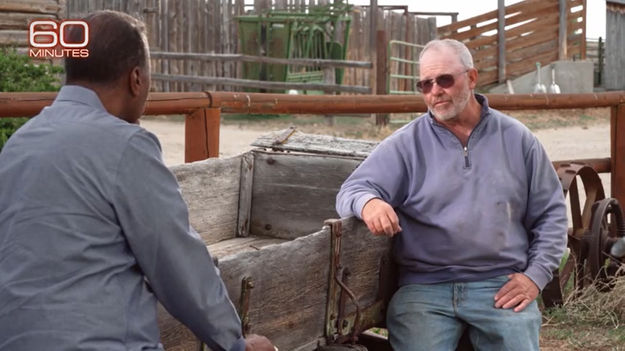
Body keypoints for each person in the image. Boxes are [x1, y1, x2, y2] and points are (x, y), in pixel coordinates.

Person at [0, 10, 274, 351]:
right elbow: (177, 264)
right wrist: (235, 342)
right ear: (136, 79)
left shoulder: (18, 144)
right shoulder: (126, 145)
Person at [336, 39, 567, 350]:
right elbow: (352, 189)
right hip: (425, 289)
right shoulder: (406, 144)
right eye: (425, 84)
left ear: (471, 78)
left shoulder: (518, 140)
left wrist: (534, 276)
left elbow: (551, 215)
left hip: (500, 283)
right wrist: (370, 202)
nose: (435, 91)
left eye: (444, 79)